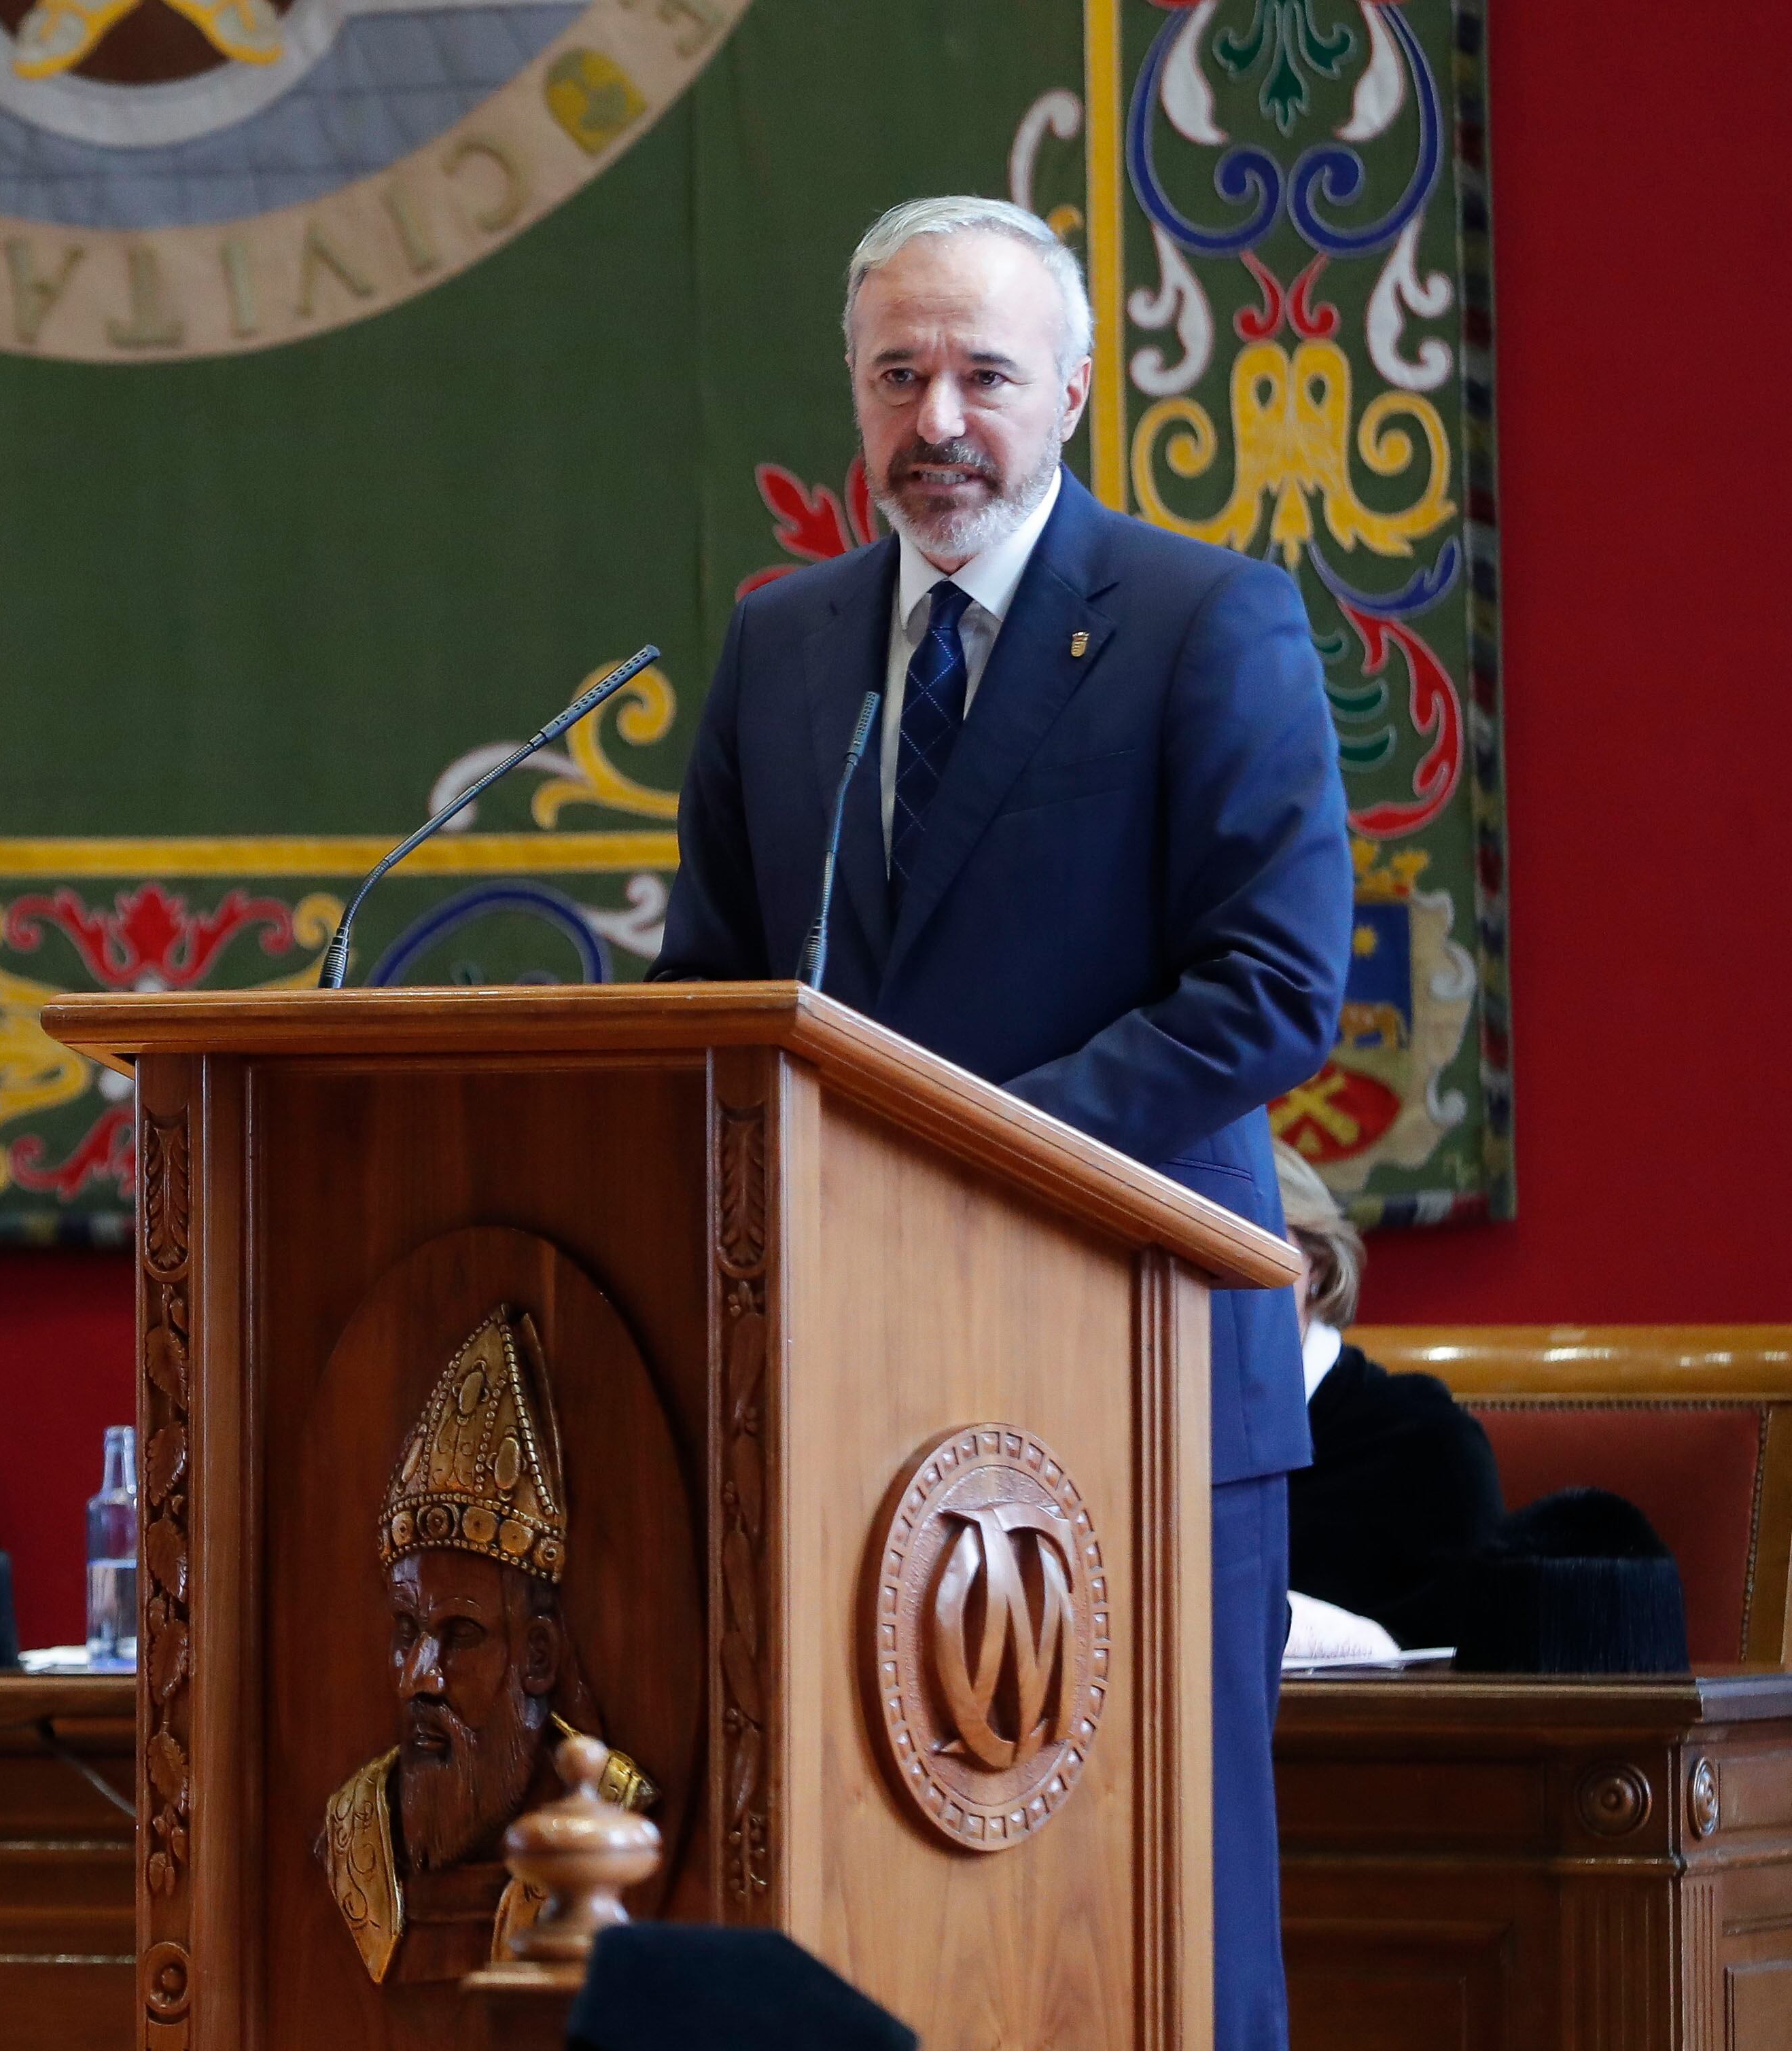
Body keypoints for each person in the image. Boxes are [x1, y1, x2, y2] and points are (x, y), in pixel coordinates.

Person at [654, 196, 1352, 2051]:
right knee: (876, 1906)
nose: (934, 417)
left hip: (1133, 1368)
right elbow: (707, 989)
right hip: (846, 1388)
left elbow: (1271, 989)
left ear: (1066, 391)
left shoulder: (1204, 621)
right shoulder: (783, 648)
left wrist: (962, 1158)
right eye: (895, 377)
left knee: (1163, 1916)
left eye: (975, 372)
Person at [314, 1308, 649, 1984]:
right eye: (407, 1632)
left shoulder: (616, 1822)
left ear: (538, 1658)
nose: (418, 1676)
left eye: (459, 1635)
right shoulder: (355, 1833)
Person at [1273, 1145, 1504, 1658]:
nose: (1211, 1277)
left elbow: (1472, 1671)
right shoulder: (1122, 1429)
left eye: (1246, 1241)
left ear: (1318, 1264)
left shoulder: (1422, 1441)